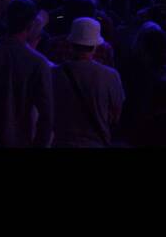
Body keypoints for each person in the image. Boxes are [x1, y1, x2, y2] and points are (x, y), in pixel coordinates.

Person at [0, 0, 54, 148]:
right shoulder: (38, 63)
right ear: (30, 25)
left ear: (5, 19)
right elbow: (46, 115)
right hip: (21, 141)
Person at [51, 18, 123, 147]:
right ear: (96, 46)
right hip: (96, 143)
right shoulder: (110, 75)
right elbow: (116, 115)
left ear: (71, 43)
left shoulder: (54, 74)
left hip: (62, 143)